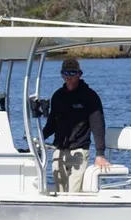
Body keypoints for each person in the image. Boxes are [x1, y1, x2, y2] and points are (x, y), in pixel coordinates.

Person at [42, 58, 111, 192]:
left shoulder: (90, 96)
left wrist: (100, 154)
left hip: (79, 150)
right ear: (62, 75)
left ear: (79, 74)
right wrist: (39, 137)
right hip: (59, 150)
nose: (69, 77)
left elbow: (98, 126)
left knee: (73, 191)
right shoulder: (57, 96)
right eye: (66, 73)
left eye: (72, 73)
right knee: (59, 191)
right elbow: (51, 123)